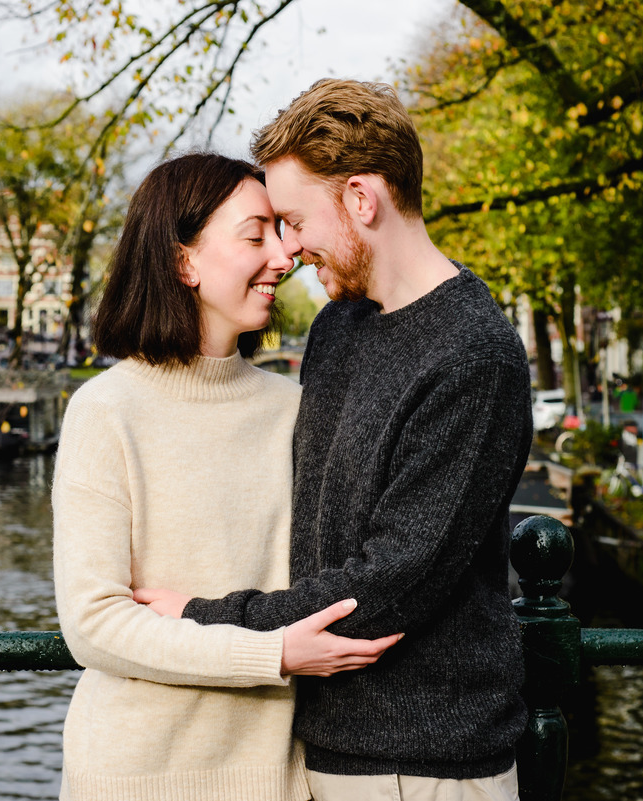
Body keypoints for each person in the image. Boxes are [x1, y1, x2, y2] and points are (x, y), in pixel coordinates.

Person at [134, 80, 534, 801]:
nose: (288, 250)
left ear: (360, 198)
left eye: (292, 219)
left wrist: (205, 618)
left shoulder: (475, 355)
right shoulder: (338, 327)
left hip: (426, 765)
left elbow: (390, 583)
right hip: (318, 751)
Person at [51, 152, 400, 801]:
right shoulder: (105, 410)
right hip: (134, 779)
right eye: (254, 235)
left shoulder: (297, 407)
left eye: (280, 229)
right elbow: (93, 621)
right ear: (183, 260)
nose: (283, 254)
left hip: (278, 776)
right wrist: (272, 654)